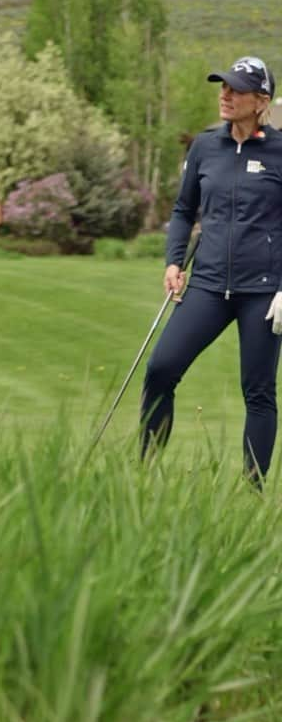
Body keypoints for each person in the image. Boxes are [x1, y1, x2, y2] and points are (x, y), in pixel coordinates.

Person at [141, 56, 282, 483]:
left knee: (258, 392)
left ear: (261, 101)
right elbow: (184, 209)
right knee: (161, 369)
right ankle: (145, 475)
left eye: (236, 89)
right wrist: (172, 259)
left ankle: (252, 494)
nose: (225, 95)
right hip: (206, 284)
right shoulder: (204, 146)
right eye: (223, 86)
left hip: (264, 291)